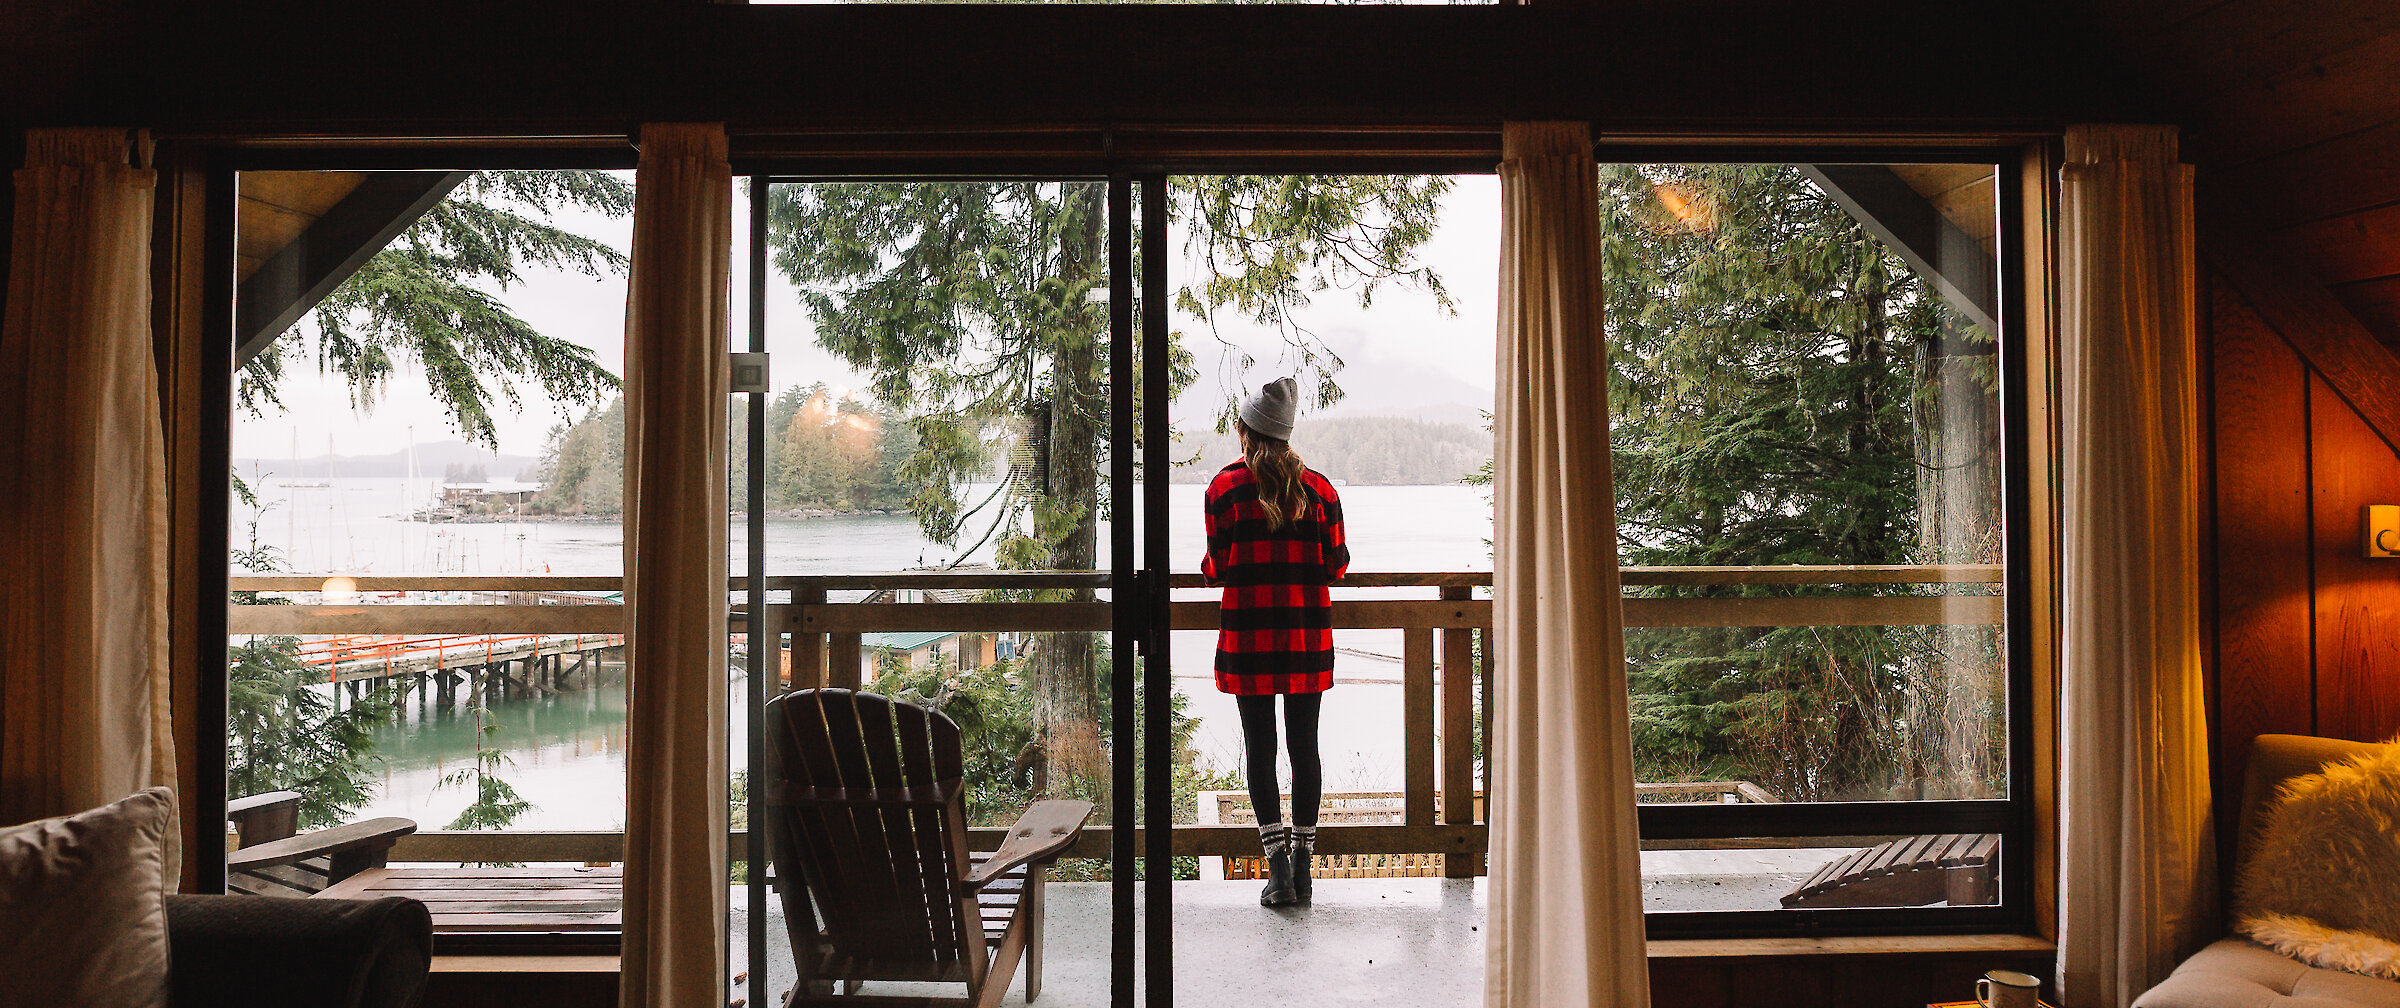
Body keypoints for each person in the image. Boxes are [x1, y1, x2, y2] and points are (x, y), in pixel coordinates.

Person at [1201, 376, 1349, 907]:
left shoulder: (1222, 490)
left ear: (1244, 432)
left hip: (1249, 639)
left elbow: (1216, 567)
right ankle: (1306, 867)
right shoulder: (1322, 491)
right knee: (1303, 749)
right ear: (1286, 437)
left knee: (1259, 752)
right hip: (1305, 637)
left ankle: (1278, 869)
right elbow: (1337, 565)